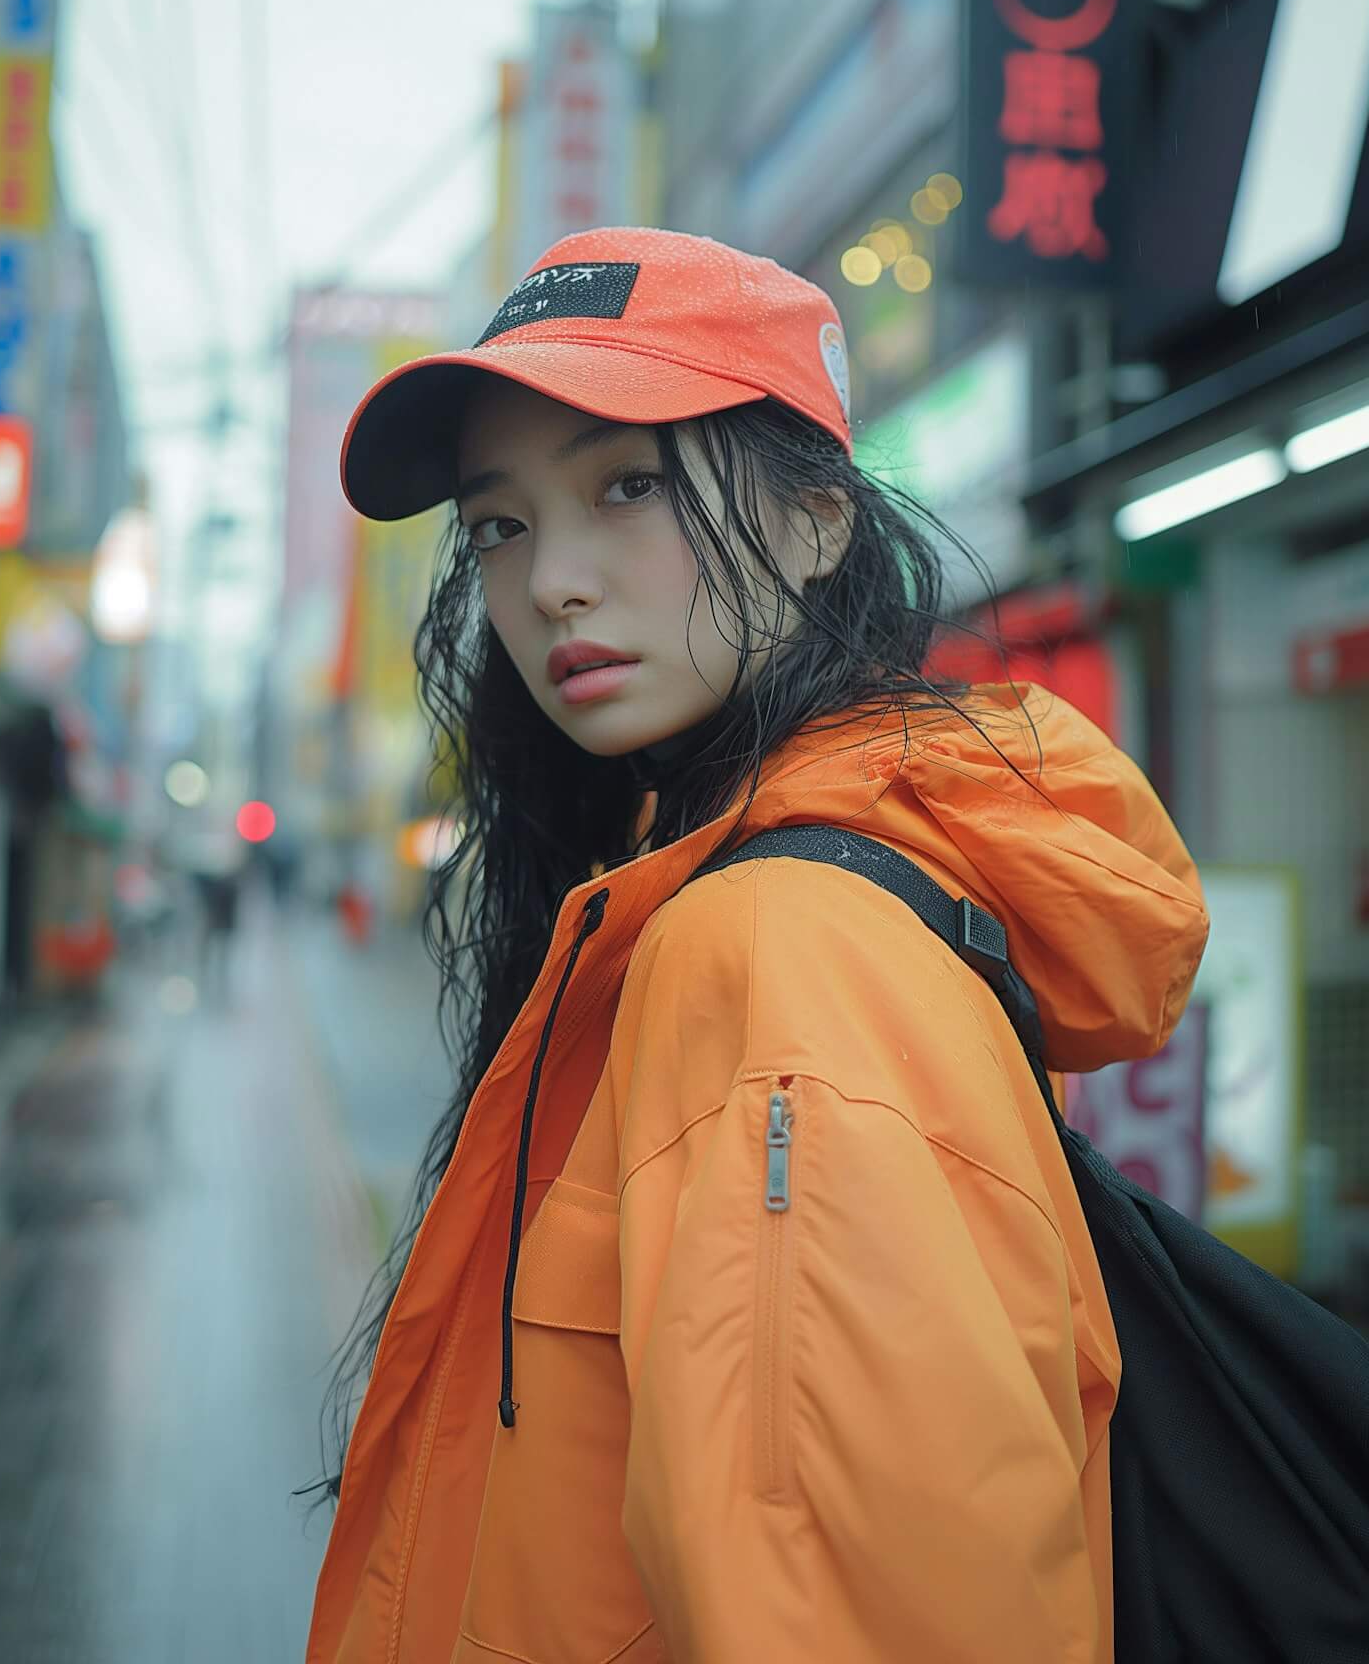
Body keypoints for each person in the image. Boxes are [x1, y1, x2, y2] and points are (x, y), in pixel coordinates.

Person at [302, 228, 1209, 1664]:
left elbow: (859, 1613)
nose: (551, 586)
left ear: (816, 521)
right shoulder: (706, 891)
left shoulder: (781, 951)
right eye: (503, 524)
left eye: (629, 486)